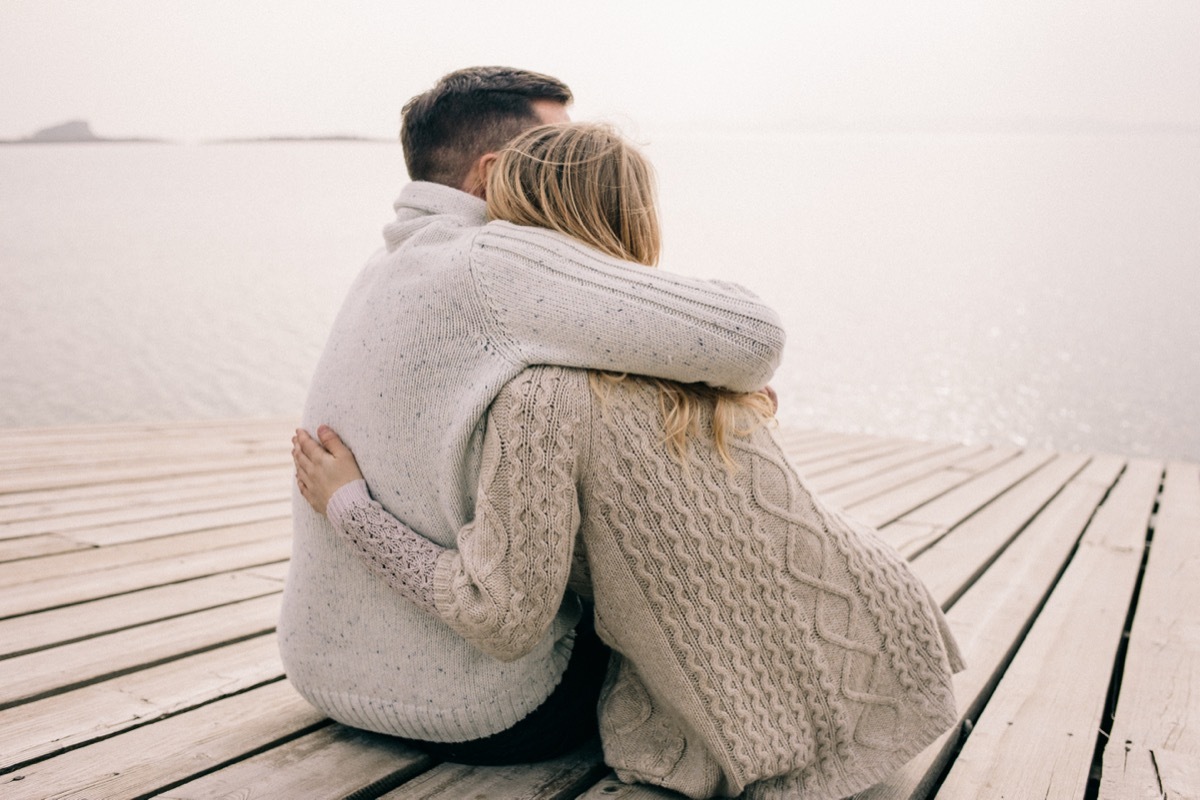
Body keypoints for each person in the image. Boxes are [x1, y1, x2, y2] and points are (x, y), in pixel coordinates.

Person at [293, 122, 964, 800]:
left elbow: (499, 613)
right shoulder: (689, 366)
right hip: (887, 639)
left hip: (764, 719)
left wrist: (350, 508)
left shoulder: (539, 395)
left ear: (520, 223)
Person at [278, 67, 787, 766]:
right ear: (491, 175)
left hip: (329, 678)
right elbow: (752, 338)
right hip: (488, 709)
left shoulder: (388, 260)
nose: (579, 166)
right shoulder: (493, 260)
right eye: (558, 149)